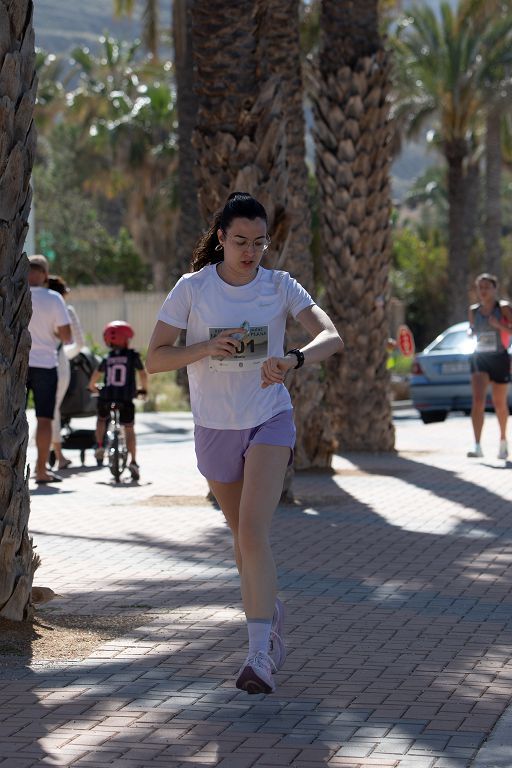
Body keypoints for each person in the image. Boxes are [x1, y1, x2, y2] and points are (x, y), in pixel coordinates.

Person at [146, 191, 343, 695]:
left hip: (268, 419)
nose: (250, 252)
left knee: (253, 535)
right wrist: (206, 347)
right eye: (240, 241)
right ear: (221, 238)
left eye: (259, 242)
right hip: (214, 427)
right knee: (241, 543)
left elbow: (331, 336)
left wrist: (293, 359)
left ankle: (259, 655)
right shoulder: (192, 288)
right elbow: (156, 358)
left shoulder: (280, 285)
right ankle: (269, 609)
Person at [27, 255, 72, 484]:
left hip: (15, 366)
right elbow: (67, 336)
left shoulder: (13, 294)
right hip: (45, 365)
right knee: (44, 419)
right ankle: (41, 470)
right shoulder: (54, 298)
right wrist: (50, 332)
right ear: (45, 275)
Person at [89, 321, 148, 481]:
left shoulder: (107, 358)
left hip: (107, 397)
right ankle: (133, 462)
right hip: (126, 398)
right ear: (126, 339)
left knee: (101, 419)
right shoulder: (132, 356)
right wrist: (143, 389)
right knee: (129, 428)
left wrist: (93, 387)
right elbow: (142, 374)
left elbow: (94, 378)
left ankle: (99, 446)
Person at [467, 272, 512, 460]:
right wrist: (470, 332)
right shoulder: (473, 311)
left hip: (499, 358)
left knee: (499, 403)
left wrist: (499, 325)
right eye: (480, 287)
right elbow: (472, 328)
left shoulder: (503, 308)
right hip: (480, 358)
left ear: (495, 289)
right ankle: (477, 445)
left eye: (487, 287)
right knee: (478, 400)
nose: (483, 291)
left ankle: (503, 441)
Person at [47, 276, 86, 470]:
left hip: (32, 363)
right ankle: (57, 455)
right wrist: (63, 354)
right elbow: (79, 343)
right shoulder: (66, 310)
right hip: (58, 363)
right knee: (51, 410)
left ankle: (51, 454)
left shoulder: (33, 306)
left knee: (46, 411)